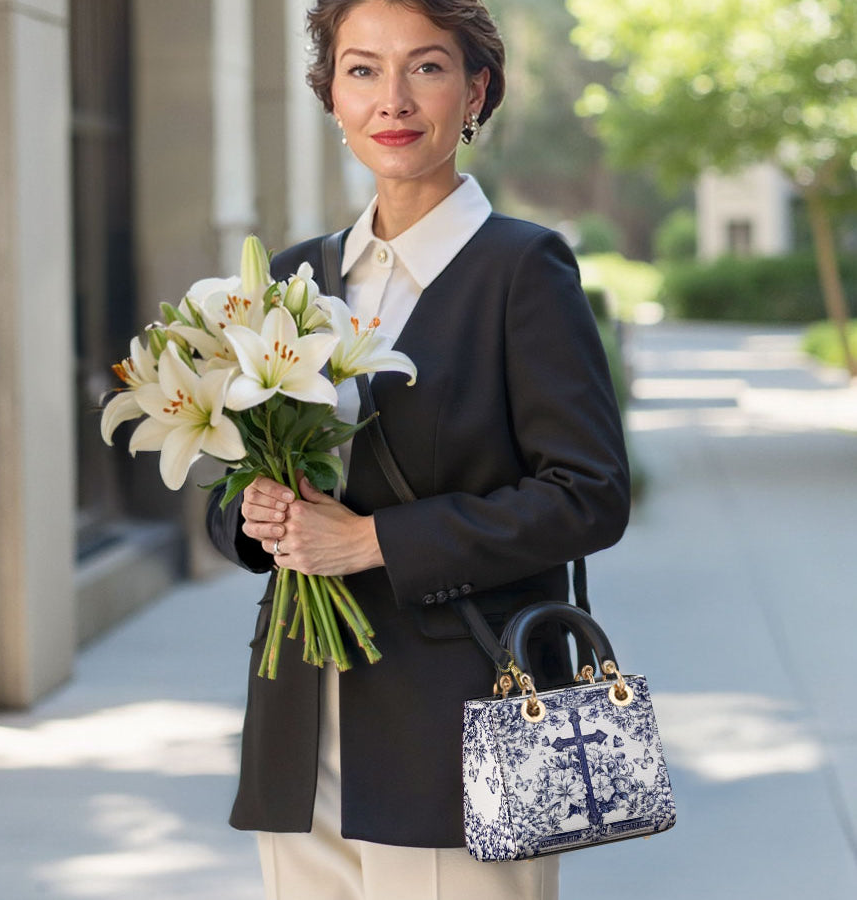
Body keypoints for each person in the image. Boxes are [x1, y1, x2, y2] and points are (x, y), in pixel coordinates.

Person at [206, 1, 630, 897]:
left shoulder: (523, 269)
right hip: (298, 725)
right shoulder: (294, 277)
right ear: (331, 97)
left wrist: (373, 543)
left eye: (426, 67)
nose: (392, 98)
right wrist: (255, 516)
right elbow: (235, 477)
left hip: (460, 726)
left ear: (476, 90)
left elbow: (588, 494)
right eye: (362, 69)